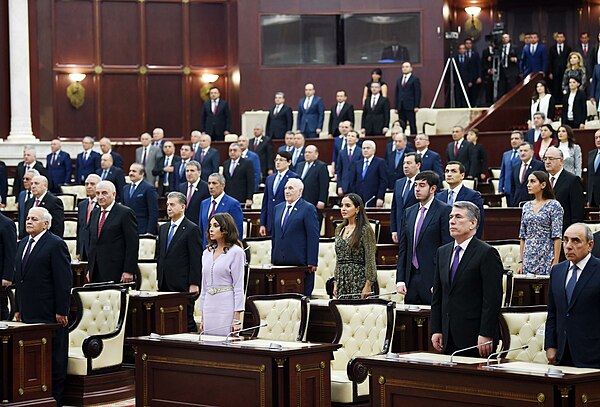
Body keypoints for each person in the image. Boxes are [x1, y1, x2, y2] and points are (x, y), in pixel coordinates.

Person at [14, 207, 71, 406]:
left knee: (54, 359)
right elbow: (19, 281)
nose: (28, 221)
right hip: (28, 312)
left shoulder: (56, 244)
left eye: (34, 219)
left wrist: (62, 310)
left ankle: (57, 400)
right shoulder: (22, 244)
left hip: (50, 313)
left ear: (45, 224)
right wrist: (17, 308)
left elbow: (63, 281)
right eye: (27, 218)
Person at [431, 201, 503, 357]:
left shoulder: (487, 253)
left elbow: (492, 298)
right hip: (447, 334)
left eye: (458, 217)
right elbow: (438, 295)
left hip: (475, 336)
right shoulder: (442, 252)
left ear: (473, 223)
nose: (451, 221)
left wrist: (486, 332)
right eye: (451, 217)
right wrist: (436, 328)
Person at [545, 223, 600, 368]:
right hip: (562, 354)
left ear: (590, 245)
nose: (568, 246)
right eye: (566, 240)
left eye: (576, 241)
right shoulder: (557, 271)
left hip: (593, 355)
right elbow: (552, 312)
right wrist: (550, 345)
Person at [396, 171, 452, 305]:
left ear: (433, 189)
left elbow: (447, 248)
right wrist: (400, 279)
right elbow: (403, 248)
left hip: (432, 276)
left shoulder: (444, 210)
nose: (417, 189)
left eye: (422, 185)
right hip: (411, 277)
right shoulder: (409, 212)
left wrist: (441, 280)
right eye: (415, 185)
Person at [157, 192, 202, 332]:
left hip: (182, 284)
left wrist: (194, 283)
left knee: (185, 319)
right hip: (165, 282)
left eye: (172, 205)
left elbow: (195, 258)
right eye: (167, 205)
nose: (168, 208)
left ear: (182, 206)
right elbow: (160, 256)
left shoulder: (191, 229)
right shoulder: (163, 228)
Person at [271, 179, 319, 296]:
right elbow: (275, 235)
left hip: (300, 263)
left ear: (300, 191)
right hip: (279, 262)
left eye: (291, 188)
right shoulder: (278, 208)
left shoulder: (308, 208)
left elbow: (313, 236)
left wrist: (312, 261)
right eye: (286, 188)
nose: (287, 191)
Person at [199, 213, 245, 336]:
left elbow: (239, 286)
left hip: (226, 306)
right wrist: (202, 315)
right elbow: (204, 287)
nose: (211, 229)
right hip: (209, 306)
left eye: (216, 225)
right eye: (210, 226)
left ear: (225, 229)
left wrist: (236, 318)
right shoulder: (206, 253)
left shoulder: (236, 252)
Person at [87, 180, 139, 284]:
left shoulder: (125, 213)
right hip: (96, 270)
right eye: (97, 193)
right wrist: (90, 268)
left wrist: (128, 270)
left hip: (116, 270)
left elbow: (132, 244)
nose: (100, 197)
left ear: (114, 194)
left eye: (104, 193)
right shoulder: (95, 213)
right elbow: (93, 242)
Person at [518, 171, 563, 275]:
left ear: (543, 184)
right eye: (528, 181)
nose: (528, 184)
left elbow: (557, 236)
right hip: (528, 256)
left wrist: (555, 261)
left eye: (532, 181)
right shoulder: (526, 206)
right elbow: (523, 236)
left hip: (546, 255)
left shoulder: (554, 205)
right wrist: (520, 261)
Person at [333, 193, 377, 298]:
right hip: (342, 279)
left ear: (357, 209)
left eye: (347, 206)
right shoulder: (339, 229)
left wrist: (368, 284)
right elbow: (338, 259)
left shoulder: (365, 229)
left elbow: (370, 258)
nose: (343, 209)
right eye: (342, 205)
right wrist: (335, 281)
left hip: (358, 278)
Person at [437, 161, 484, 238]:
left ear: (462, 175)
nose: (449, 174)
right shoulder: (439, 196)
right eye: (447, 171)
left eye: (453, 171)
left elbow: (478, 222)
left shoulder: (473, 195)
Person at [544, 147, 584, 232]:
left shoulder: (572, 180)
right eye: (545, 159)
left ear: (561, 161)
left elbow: (577, 212)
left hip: (565, 231)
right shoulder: (542, 180)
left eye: (551, 158)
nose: (547, 162)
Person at [199, 173, 244, 248]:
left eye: (214, 183)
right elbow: (201, 228)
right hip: (206, 249)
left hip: (225, 249)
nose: (211, 186)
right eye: (209, 183)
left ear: (222, 185)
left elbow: (237, 230)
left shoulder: (233, 204)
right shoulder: (204, 203)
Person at [259, 151, 299, 235]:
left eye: (281, 160)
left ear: (289, 162)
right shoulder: (270, 178)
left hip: (285, 221)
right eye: (276, 160)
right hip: (270, 222)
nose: (277, 162)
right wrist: (262, 223)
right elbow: (265, 202)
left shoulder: (294, 177)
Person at [390, 152, 420, 243]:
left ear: (418, 165)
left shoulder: (423, 183)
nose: (405, 166)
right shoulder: (399, 183)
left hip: (416, 230)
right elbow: (394, 208)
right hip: (400, 231)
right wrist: (394, 230)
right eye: (404, 163)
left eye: (409, 163)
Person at [122, 164, 159, 235]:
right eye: (130, 171)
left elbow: (153, 211)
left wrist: (150, 231)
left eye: (134, 171)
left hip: (142, 229)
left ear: (142, 174)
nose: (131, 173)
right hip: (127, 229)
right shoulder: (125, 188)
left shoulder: (148, 188)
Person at [349, 140, 387, 208]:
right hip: (358, 198)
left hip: (373, 198)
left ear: (374, 150)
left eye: (368, 148)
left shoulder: (380, 162)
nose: (365, 150)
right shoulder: (357, 164)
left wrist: (380, 197)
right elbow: (353, 181)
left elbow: (383, 181)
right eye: (363, 148)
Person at [511, 142, 544, 207]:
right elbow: (513, 186)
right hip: (517, 202)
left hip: (532, 202)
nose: (522, 153)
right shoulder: (515, 166)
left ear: (532, 152)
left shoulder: (539, 165)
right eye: (520, 151)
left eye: (525, 151)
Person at [295, 145, 329, 211]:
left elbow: (324, 185)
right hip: (299, 199)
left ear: (316, 154)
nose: (307, 154)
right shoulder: (299, 165)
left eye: (309, 152)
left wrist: (322, 200)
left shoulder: (321, 166)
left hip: (313, 200)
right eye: (306, 152)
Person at [76, 174, 100, 261]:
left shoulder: (102, 205)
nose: (89, 186)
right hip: (83, 249)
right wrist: (78, 250)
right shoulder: (82, 204)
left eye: (92, 184)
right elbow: (80, 228)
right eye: (86, 184)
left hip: (97, 250)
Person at [177, 160, 209, 226]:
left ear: (199, 173)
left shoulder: (206, 187)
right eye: (187, 171)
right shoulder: (181, 187)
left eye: (192, 171)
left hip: (198, 225)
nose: (189, 173)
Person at [223, 143, 254, 208]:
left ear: (240, 152)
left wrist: (249, 198)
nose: (232, 152)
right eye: (230, 150)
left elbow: (251, 182)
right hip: (228, 196)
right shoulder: (226, 163)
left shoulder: (247, 163)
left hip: (241, 197)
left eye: (235, 150)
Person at [499, 131, 525, 205]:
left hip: (519, 189)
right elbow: (502, 172)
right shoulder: (506, 154)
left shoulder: (525, 154)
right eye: (512, 139)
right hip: (508, 189)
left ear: (522, 140)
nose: (513, 141)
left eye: (516, 138)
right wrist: (500, 188)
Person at [395, 62, 421, 135]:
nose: (405, 68)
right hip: (401, 106)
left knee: (412, 124)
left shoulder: (415, 79)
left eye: (407, 67)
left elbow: (417, 93)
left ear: (411, 68)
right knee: (402, 124)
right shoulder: (399, 80)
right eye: (403, 67)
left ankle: (413, 138)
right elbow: (397, 93)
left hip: (410, 106)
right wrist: (396, 106)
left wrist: (416, 105)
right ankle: (401, 138)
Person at [336, 130, 362, 197]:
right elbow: (339, 171)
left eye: (352, 136)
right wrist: (339, 186)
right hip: (344, 185)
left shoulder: (360, 152)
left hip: (356, 186)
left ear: (357, 140)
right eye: (348, 136)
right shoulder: (341, 152)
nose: (350, 138)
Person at [0, 211, 16, 320]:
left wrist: (7, 276)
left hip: (1, 275)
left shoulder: (6, 223)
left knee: (1, 308)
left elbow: (11, 252)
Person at [547, 32, 572, 99]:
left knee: (565, 87)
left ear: (564, 38)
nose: (559, 39)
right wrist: (550, 72)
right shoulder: (552, 48)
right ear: (556, 38)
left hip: (565, 71)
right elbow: (550, 61)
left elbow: (570, 60)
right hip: (555, 72)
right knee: (555, 87)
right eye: (558, 37)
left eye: (561, 37)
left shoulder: (568, 48)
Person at [497, 33, 520, 99]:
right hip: (502, 71)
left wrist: (515, 59)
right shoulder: (500, 48)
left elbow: (520, 58)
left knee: (512, 88)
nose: (504, 39)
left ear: (509, 38)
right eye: (503, 38)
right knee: (501, 88)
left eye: (506, 37)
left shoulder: (515, 47)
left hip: (512, 70)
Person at [464, 38, 482, 107]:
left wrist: (479, 76)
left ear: (471, 45)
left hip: (475, 78)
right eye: (467, 43)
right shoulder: (462, 54)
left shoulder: (475, 54)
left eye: (469, 43)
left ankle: (473, 106)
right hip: (466, 78)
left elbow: (479, 66)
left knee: (474, 95)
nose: (468, 45)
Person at [588, 130, 600, 207]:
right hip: (593, 197)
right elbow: (590, 176)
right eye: (596, 138)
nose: (598, 140)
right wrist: (588, 198)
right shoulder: (591, 154)